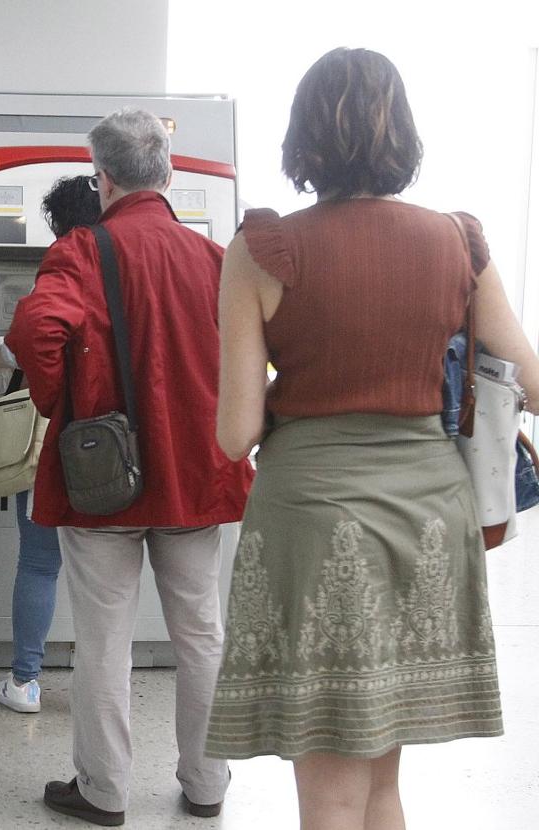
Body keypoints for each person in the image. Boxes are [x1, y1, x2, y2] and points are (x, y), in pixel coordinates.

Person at [208, 47, 535, 830]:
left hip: (314, 519)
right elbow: (530, 375)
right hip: (429, 514)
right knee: (382, 782)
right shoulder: (460, 241)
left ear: (302, 136)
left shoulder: (263, 250)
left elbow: (236, 433)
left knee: (329, 792)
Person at [7, 109, 254, 825]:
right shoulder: (211, 259)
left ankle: (104, 792)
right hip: (194, 479)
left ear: (103, 177)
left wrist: (65, 403)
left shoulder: (83, 250)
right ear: (169, 175)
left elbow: (35, 328)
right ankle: (207, 785)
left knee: (105, 642)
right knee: (201, 634)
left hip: (103, 485)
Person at [0, 175, 100, 714]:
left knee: (39, 564)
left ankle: (25, 682)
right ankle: (100, 685)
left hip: (50, 445)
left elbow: (18, 348)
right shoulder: (130, 269)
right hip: (119, 451)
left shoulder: (60, 271)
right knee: (104, 574)